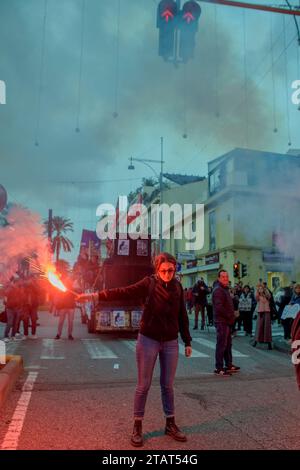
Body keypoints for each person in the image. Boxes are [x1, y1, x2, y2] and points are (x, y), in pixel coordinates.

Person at [77, 252, 192, 447]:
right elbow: (124, 291)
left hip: (171, 342)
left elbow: (182, 315)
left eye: (171, 270)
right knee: (143, 385)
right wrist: (96, 295)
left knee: (168, 385)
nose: (167, 274)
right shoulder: (149, 283)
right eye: (163, 270)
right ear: (157, 269)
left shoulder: (178, 287)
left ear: (175, 269)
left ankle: (170, 424)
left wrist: (187, 341)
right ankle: (137, 426)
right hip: (148, 339)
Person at [212, 270, 240, 377]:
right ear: (219, 278)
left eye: (227, 276)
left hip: (226, 321)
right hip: (221, 321)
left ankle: (228, 364)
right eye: (223, 277)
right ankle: (219, 367)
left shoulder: (224, 289)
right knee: (221, 344)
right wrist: (230, 315)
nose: (225, 278)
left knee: (227, 344)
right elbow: (219, 308)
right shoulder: (218, 290)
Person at [54, 274, 76, 340]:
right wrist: (57, 306)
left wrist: (72, 290)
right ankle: (58, 334)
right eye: (67, 280)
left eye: (69, 280)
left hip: (71, 306)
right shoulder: (61, 287)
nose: (68, 281)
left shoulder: (73, 287)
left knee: (70, 321)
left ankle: (70, 334)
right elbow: (58, 296)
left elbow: (77, 294)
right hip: (63, 306)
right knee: (61, 321)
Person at [252, 284, 272, 350]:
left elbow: (269, 296)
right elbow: (256, 297)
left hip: (267, 312)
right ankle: (256, 341)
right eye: (259, 289)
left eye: (262, 288)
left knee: (267, 328)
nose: (261, 290)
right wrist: (257, 290)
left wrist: (265, 290)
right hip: (260, 312)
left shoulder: (267, 295)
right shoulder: (258, 296)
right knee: (259, 327)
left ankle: (269, 343)